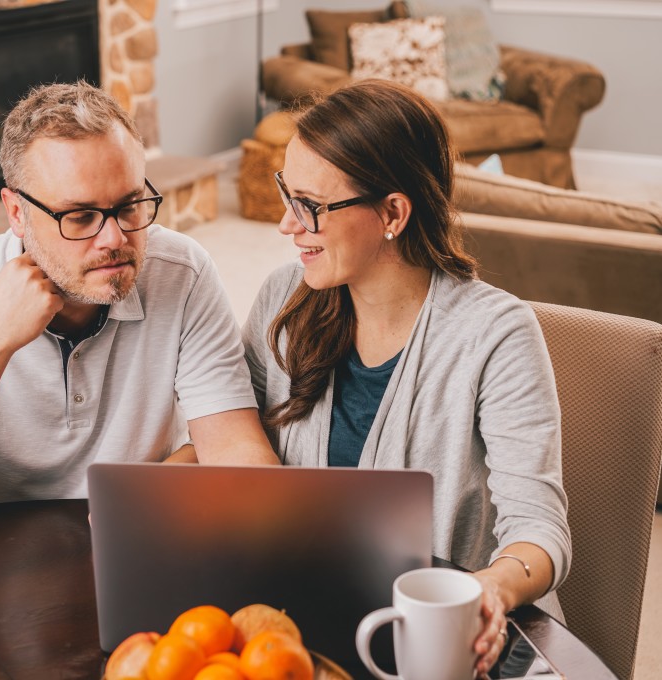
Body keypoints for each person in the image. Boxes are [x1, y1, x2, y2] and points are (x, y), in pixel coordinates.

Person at [241, 80, 570, 676]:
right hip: (308, 629)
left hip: (445, 647)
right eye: (286, 194)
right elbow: (233, 446)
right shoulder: (280, 304)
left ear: (393, 212)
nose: (287, 226)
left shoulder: (496, 333)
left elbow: (539, 529)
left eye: (310, 205)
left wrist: (492, 588)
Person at [0, 81, 277, 538]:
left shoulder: (182, 272)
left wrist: (159, 486)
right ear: (16, 213)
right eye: (79, 217)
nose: (114, 239)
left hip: (135, 537)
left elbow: (234, 450)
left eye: (130, 205)